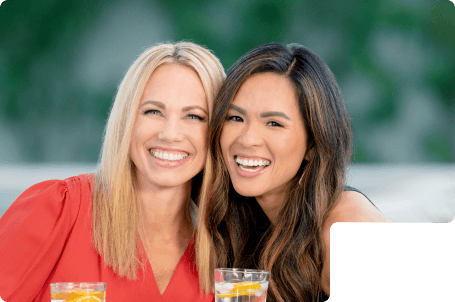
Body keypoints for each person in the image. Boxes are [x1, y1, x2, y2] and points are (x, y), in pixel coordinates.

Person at [0, 41, 225, 302]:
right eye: (153, 111)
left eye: (194, 116)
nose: (169, 134)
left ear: (217, 130)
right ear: (127, 119)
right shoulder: (59, 209)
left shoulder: (227, 250)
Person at [196, 43, 391, 302]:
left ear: (313, 143)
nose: (248, 139)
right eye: (235, 118)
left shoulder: (347, 222)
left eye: (274, 123)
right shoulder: (237, 219)